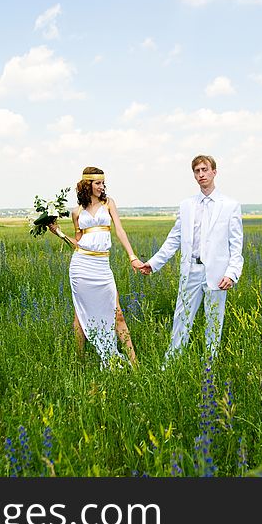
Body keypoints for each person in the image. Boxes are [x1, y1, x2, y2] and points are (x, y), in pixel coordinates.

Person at [137, 155, 243, 364]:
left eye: (205, 169)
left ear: (214, 172)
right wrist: (154, 262)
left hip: (217, 274)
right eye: (197, 171)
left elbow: (236, 245)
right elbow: (174, 239)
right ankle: (171, 364)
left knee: (214, 321)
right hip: (191, 271)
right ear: (194, 175)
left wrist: (231, 274)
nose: (201, 174)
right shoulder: (186, 205)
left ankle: (210, 364)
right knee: (181, 318)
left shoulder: (230, 205)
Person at [47, 166, 141, 368]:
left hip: (102, 266)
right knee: (80, 315)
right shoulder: (77, 212)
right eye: (97, 183)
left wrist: (132, 256)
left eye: (102, 183)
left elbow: (120, 231)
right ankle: (79, 363)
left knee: (118, 314)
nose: (102, 186)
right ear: (87, 184)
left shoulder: (109, 204)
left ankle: (135, 365)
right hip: (81, 266)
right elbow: (78, 242)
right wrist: (59, 234)